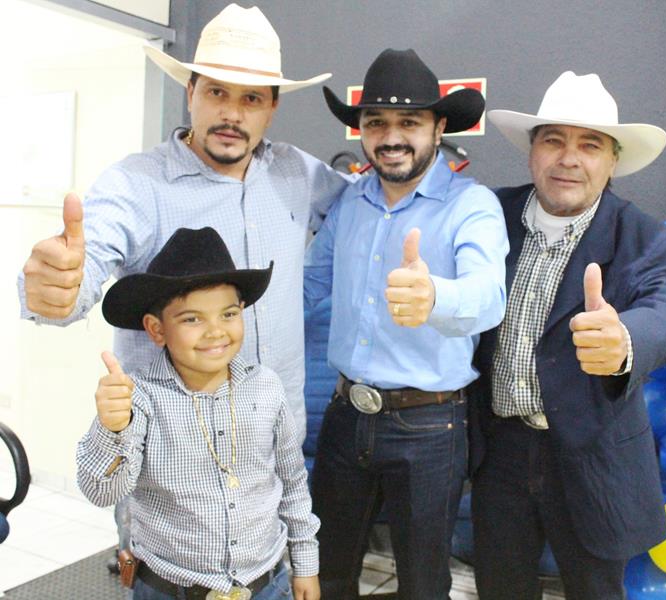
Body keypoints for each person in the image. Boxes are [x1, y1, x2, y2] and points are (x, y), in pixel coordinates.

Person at [18, 3, 349, 442]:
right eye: (216, 92)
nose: (232, 114)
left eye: (250, 97)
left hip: (276, 438)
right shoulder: (136, 184)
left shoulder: (297, 173)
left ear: (271, 107)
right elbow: (88, 257)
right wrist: (54, 291)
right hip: (174, 453)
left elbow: (364, 209)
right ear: (190, 92)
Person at [469, 71, 666, 600]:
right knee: (499, 589)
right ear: (532, 152)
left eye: (589, 145)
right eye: (553, 140)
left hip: (593, 458)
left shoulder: (642, 236)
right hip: (498, 450)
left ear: (612, 162)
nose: (569, 159)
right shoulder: (487, 215)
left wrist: (624, 343)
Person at [304, 49, 508, 600]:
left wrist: (435, 296)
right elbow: (307, 287)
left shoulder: (473, 206)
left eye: (409, 123)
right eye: (376, 123)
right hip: (346, 417)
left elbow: (489, 297)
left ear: (439, 127)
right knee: (326, 573)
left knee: (421, 585)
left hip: (429, 428)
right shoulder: (349, 204)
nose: (391, 137)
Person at [77, 226, 320, 600]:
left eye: (228, 314)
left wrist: (305, 563)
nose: (215, 332)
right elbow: (101, 490)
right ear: (156, 329)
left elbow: (291, 482)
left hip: (266, 583)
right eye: (192, 319)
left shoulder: (266, 387)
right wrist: (112, 429)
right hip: (169, 589)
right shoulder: (139, 398)